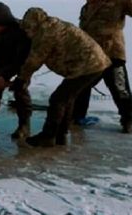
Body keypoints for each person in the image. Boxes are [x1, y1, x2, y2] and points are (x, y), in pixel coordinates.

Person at [10, 8, 111, 147]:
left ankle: (48, 136)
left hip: (87, 66)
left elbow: (34, 60)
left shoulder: (46, 33)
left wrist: (21, 79)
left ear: (35, 24)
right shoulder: (49, 24)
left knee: (58, 99)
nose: (28, 32)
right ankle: (61, 134)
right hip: (92, 63)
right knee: (66, 99)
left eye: (29, 28)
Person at [73, 0, 132, 133]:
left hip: (113, 55)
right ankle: (77, 116)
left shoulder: (117, 1)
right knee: (80, 85)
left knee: (120, 88)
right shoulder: (86, 8)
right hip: (92, 56)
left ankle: (127, 120)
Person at [0, 2, 32, 139]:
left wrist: (6, 76)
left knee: (20, 91)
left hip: (24, 63)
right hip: (5, 62)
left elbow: (22, 59)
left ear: (4, 21)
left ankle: (24, 126)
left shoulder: (22, 32)